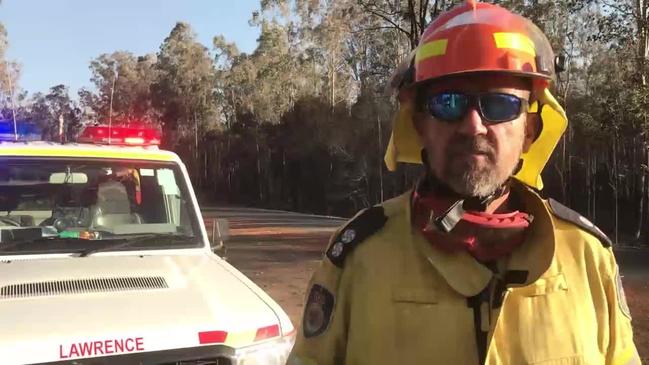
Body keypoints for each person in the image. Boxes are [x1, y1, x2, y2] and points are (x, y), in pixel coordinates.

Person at [288, 1, 641, 364]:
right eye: (448, 102)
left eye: (501, 104)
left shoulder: (587, 256)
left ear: (530, 132)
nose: (473, 126)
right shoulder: (358, 257)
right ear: (420, 126)